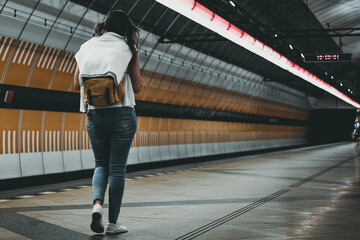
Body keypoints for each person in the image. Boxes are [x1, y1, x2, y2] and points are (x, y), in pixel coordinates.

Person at [73, 10, 141, 235]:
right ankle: (113, 223)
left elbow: (76, 84)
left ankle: (96, 205)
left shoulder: (86, 47)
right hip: (122, 113)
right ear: (125, 28)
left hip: (94, 114)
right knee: (118, 169)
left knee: (100, 164)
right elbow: (138, 86)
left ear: (105, 25)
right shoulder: (128, 48)